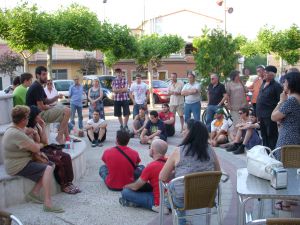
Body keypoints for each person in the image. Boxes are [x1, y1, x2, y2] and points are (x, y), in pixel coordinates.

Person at [2, 105, 64, 213]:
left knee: (51, 164)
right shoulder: (16, 133)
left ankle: (34, 193)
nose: (28, 119)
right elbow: (35, 148)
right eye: (27, 117)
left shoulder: (16, 127)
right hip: (17, 165)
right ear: (23, 120)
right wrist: (41, 144)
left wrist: (35, 132)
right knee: (48, 168)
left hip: (21, 160)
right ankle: (48, 204)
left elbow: (28, 132)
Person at [159, 119, 220, 225]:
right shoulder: (210, 150)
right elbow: (218, 173)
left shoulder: (178, 151)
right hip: (207, 197)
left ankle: (177, 216)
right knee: (177, 186)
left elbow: (162, 177)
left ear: (191, 133)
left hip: (184, 200)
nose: (182, 132)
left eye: (184, 130)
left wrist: (176, 174)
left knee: (172, 187)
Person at [27, 105, 81, 194]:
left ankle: (69, 182)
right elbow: (35, 147)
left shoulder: (37, 125)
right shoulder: (28, 129)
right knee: (58, 161)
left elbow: (44, 141)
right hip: (36, 153)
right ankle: (64, 185)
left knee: (66, 156)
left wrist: (43, 126)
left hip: (42, 148)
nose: (39, 116)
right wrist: (39, 140)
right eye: (37, 115)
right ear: (33, 116)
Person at [119, 139, 168, 213]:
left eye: (149, 147)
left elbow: (136, 187)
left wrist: (126, 186)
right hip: (169, 197)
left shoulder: (151, 166)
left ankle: (156, 207)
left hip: (159, 201)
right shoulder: (169, 161)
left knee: (126, 192)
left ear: (152, 151)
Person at [26, 66, 70, 144]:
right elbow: (41, 107)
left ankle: (67, 138)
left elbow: (47, 101)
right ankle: (59, 137)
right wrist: (50, 107)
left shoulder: (39, 86)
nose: (46, 77)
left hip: (40, 112)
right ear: (38, 75)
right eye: (43, 74)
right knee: (67, 111)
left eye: (46, 74)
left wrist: (56, 97)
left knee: (65, 110)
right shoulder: (37, 87)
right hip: (37, 115)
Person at [271, 72, 300, 159]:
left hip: (288, 137)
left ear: (291, 83)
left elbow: (273, 117)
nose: (283, 84)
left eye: (285, 82)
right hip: (296, 136)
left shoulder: (291, 100)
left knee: (286, 166)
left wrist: (281, 101)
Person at [256, 65, 283, 150]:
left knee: (271, 135)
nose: (264, 74)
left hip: (270, 115)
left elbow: (281, 102)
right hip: (261, 114)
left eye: (266, 73)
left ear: (272, 75)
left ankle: (273, 154)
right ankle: (266, 152)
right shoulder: (263, 83)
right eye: (264, 72)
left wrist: (279, 118)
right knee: (263, 135)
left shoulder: (277, 86)